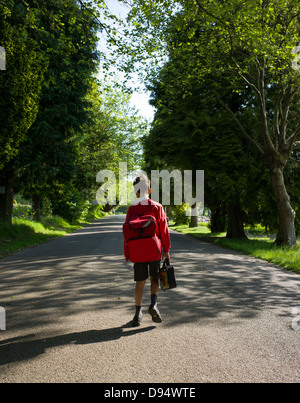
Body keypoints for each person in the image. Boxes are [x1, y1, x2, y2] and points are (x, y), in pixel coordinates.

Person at [124, 174, 171, 327]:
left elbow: (127, 233)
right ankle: (153, 305)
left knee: (139, 282)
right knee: (154, 279)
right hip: (154, 249)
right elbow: (164, 230)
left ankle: (137, 315)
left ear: (136, 192)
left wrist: (128, 252)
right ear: (149, 190)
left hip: (137, 251)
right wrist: (167, 250)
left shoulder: (132, 209)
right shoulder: (157, 207)